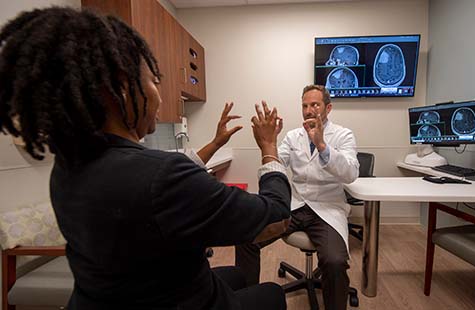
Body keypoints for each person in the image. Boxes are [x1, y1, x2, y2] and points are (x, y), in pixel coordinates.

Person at [0, 7, 291, 310]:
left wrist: (216, 142)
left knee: (234, 275)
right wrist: (268, 146)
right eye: (154, 81)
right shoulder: (161, 177)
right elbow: (276, 217)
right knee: (271, 293)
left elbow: (153, 181)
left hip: (115, 294)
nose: (160, 97)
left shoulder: (68, 166)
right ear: (123, 87)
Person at [236, 85, 360, 310]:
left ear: (328, 108)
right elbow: (276, 166)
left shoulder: (343, 135)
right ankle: (245, 301)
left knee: (335, 261)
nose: (309, 110)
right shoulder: (293, 137)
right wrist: (270, 143)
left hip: (327, 208)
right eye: (305, 105)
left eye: (315, 105)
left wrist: (322, 145)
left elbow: (351, 173)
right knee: (247, 236)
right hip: (295, 205)